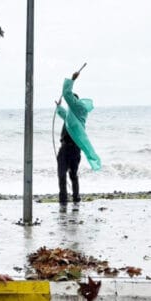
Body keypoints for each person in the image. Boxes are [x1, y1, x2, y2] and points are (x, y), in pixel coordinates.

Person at [55, 71, 101, 207]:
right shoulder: (72, 115)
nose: (70, 103)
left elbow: (67, 94)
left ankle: (74, 199)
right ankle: (65, 200)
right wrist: (58, 107)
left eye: (72, 102)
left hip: (73, 148)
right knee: (63, 174)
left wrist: (72, 80)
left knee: (71, 175)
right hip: (67, 147)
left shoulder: (79, 109)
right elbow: (63, 113)